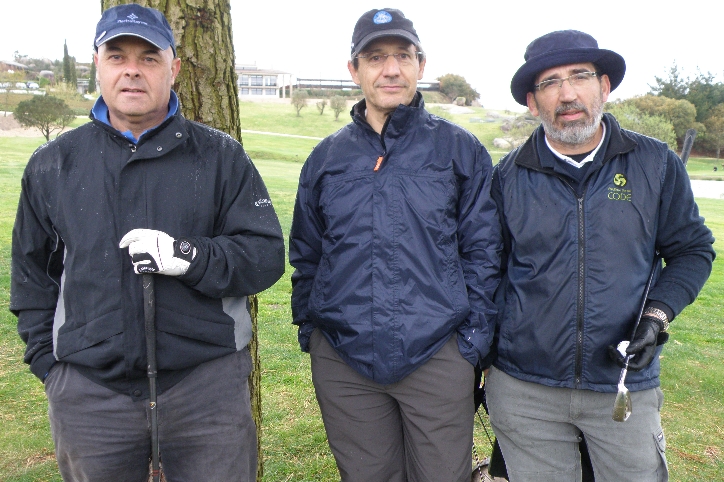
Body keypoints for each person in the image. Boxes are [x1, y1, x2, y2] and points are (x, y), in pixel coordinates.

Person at [10, 4, 285, 481]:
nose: (133, 69)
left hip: (206, 390)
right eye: (117, 56)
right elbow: (32, 276)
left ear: (174, 68)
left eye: (150, 57)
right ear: (97, 64)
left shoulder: (221, 157)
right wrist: (50, 368)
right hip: (92, 396)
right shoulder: (53, 164)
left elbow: (264, 257)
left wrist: (188, 256)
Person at [485, 29, 716, 481]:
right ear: (533, 103)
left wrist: (657, 316)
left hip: (621, 385)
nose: (567, 93)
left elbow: (692, 251)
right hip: (523, 389)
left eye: (580, 76)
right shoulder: (506, 177)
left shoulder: (655, 164)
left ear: (605, 87)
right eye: (549, 83)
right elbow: (487, 271)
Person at [288, 8, 501, 482]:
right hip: (343, 358)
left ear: (420, 65)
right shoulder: (325, 160)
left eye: (403, 56)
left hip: (438, 353)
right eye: (375, 57)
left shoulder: (460, 151)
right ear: (354, 70)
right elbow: (307, 254)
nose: (391, 69)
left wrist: (471, 345)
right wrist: (313, 332)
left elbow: (485, 254)